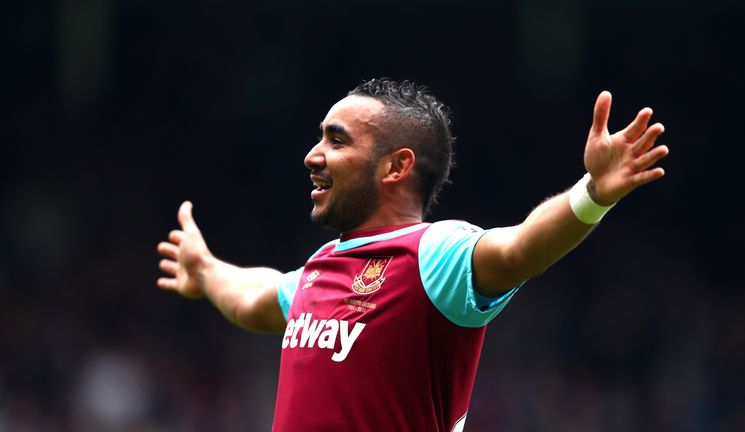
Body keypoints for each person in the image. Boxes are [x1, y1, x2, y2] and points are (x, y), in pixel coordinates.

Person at [156, 78, 668, 431]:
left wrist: (593, 192)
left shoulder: (434, 254)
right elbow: (252, 299)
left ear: (395, 167)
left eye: (337, 141)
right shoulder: (318, 271)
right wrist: (207, 270)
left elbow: (518, 249)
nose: (313, 156)